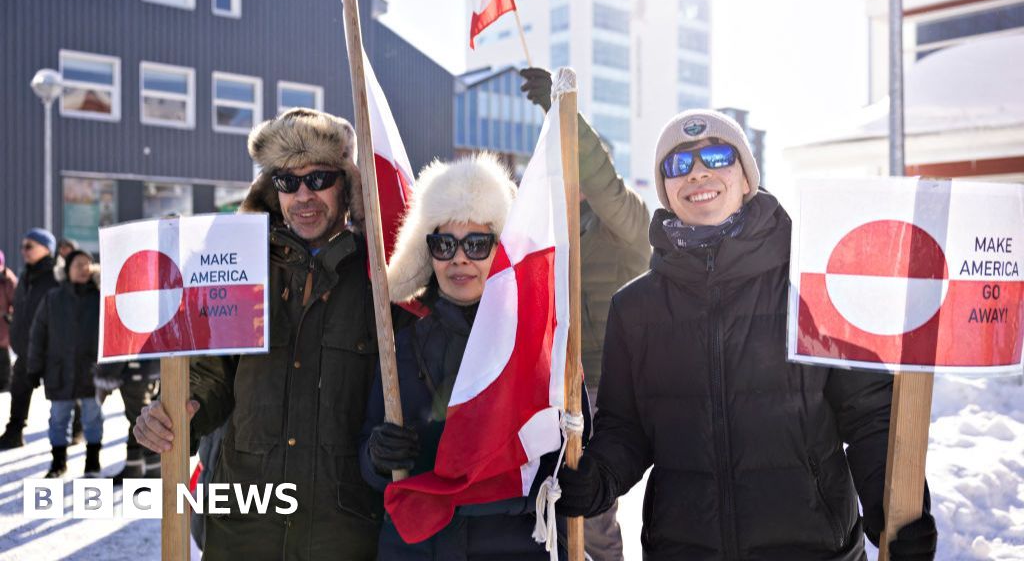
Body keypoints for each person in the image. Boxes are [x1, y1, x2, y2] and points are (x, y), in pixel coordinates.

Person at [554, 110, 938, 560]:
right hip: (684, 548)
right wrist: (598, 478)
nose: (697, 172)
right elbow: (626, 429)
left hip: (814, 548)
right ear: (666, 190)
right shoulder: (634, 308)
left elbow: (869, 415)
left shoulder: (810, 285)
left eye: (716, 156)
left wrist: (893, 512)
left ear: (745, 177)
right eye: (677, 165)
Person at [134, 108, 409, 560]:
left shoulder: (382, 279)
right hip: (244, 528)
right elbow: (210, 374)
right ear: (272, 189)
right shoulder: (237, 267)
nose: (304, 195)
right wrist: (180, 411)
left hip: (341, 530)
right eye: (288, 181)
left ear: (347, 184)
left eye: (319, 179)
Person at [360, 153, 590, 559]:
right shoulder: (400, 345)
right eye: (444, 244)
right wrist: (378, 457)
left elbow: (574, 449)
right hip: (417, 549)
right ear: (427, 252)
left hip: (515, 546)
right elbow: (366, 461)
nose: (460, 258)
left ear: (500, 249)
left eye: (477, 244)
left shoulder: (541, 344)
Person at [521, 67, 651, 561]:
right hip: (555, 387)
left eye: (574, 167)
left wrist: (562, 112)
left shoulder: (628, 227)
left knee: (594, 511)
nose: (568, 178)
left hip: (614, 388)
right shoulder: (544, 234)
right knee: (550, 497)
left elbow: (604, 183)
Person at [27, 250, 104, 478]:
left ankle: (93, 461)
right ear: (67, 269)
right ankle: (58, 462)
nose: (84, 269)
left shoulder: (100, 298)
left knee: (92, 418)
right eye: (78, 264)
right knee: (59, 419)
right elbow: (38, 334)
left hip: (91, 372)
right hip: (59, 371)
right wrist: (33, 368)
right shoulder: (53, 298)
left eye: (88, 264)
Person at [0, 228, 59, 450]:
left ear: (46, 249)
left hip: (51, 348)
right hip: (26, 346)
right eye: (22, 246)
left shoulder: (57, 276)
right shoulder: (25, 275)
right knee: (19, 389)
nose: (23, 251)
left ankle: (74, 431)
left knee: (62, 393)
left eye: (29, 246)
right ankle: (14, 432)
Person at [93, 358, 162, 483]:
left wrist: (106, 375)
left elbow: (120, 344)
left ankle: (154, 471)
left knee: (142, 421)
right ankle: (134, 467)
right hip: (147, 368)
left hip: (134, 371)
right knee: (137, 420)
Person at [0, 250, 17, 393]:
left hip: (3, 326)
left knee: (3, 358)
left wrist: (9, 315)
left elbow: (16, 302)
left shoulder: (7, 279)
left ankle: (5, 385)